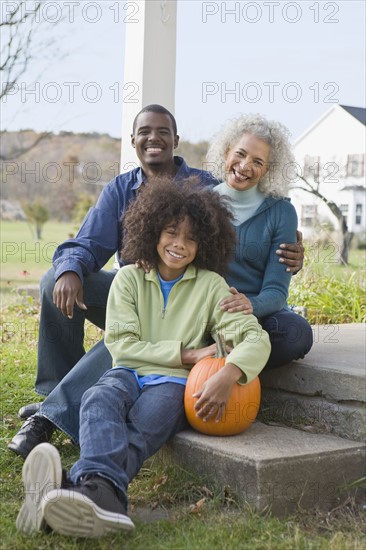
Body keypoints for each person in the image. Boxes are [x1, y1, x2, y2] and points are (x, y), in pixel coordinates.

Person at [8, 105, 303, 458]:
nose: (154, 139)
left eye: (163, 132)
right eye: (144, 132)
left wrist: (291, 254)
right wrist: (70, 267)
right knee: (59, 282)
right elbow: (88, 243)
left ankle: (56, 414)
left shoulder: (204, 191)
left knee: (290, 332)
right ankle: (58, 396)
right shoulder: (131, 190)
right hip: (147, 293)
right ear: (132, 140)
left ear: (176, 141)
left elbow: (257, 254)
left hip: (204, 307)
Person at [16, 178, 271, 538]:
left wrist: (229, 373)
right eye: (171, 232)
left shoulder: (212, 286)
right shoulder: (129, 279)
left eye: (191, 238)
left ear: (205, 243)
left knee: (143, 427)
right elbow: (122, 345)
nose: (179, 244)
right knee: (96, 400)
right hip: (128, 372)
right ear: (152, 230)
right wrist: (186, 353)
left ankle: (72, 488)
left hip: (174, 384)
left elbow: (255, 338)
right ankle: (100, 497)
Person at [208, 113, 313, 368]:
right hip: (209, 314)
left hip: (260, 314)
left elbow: (276, 292)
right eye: (240, 153)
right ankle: (234, 357)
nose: (245, 166)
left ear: (268, 170)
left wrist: (248, 304)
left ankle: (228, 359)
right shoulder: (202, 203)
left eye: (258, 161)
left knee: (296, 335)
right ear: (226, 150)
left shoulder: (281, 212)